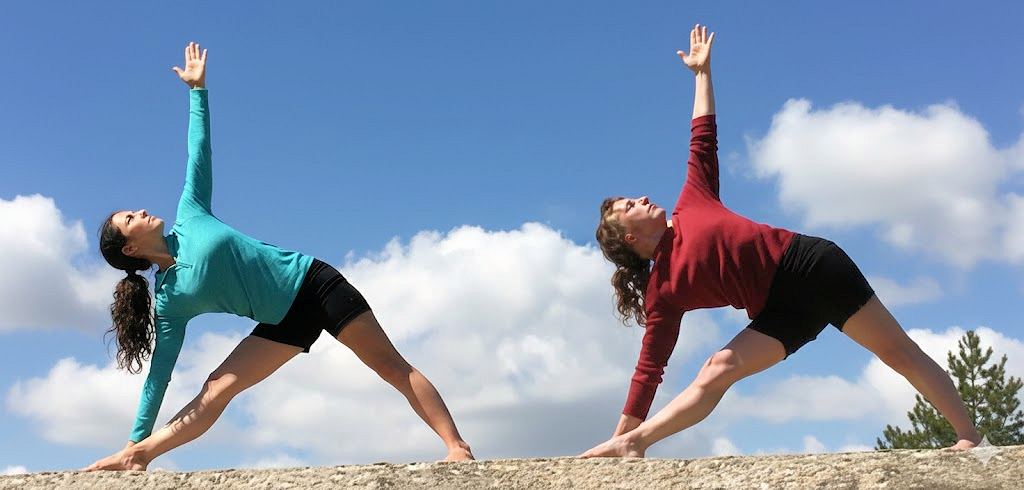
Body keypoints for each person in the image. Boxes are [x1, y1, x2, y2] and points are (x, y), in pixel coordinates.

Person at [580, 25, 982, 458]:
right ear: (629, 236)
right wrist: (619, 434)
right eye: (630, 205)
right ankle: (631, 445)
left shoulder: (693, 199)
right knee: (717, 368)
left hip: (810, 267)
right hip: (781, 310)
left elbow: (703, 135)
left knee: (896, 353)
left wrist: (702, 73)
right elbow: (649, 369)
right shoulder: (664, 292)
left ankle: (969, 436)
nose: (642, 198)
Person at [85, 43, 473, 471]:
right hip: (282, 321)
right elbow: (160, 373)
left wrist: (198, 92)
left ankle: (457, 447)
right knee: (216, 387)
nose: (140, 211)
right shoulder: (170, 301)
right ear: (130, 249)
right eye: (130, 218)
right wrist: (133, 438)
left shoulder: (191, 214)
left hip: (312, 283)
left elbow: (200, 151)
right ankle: (137, 457)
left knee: (388, 366)